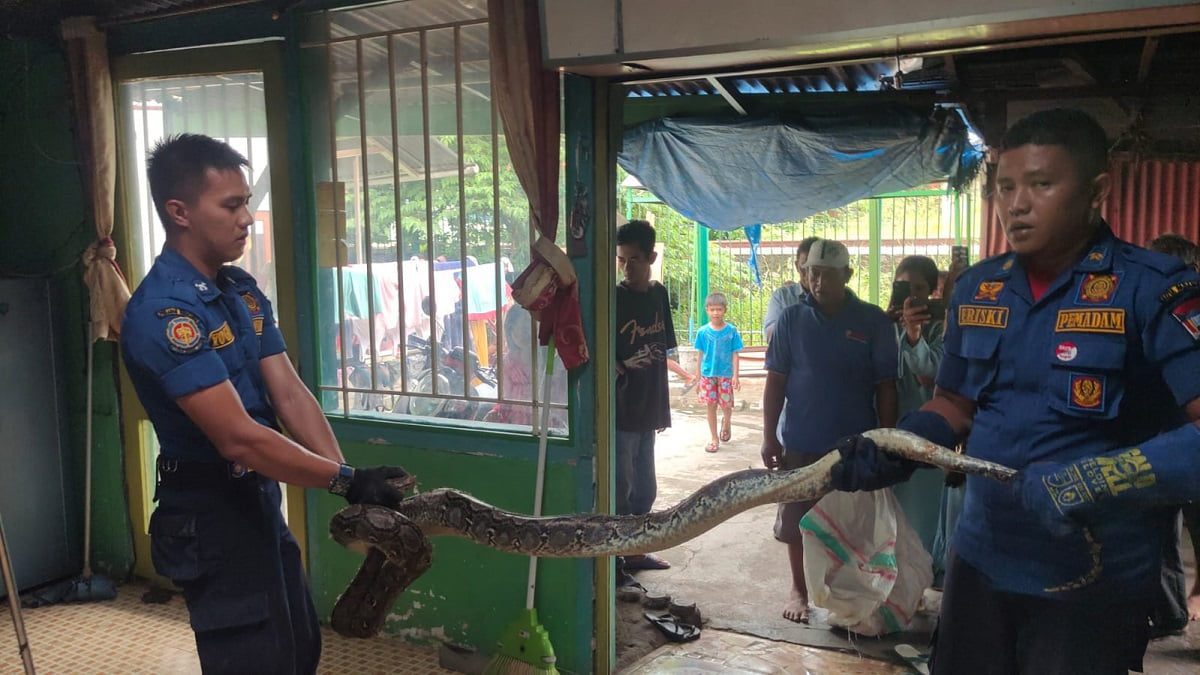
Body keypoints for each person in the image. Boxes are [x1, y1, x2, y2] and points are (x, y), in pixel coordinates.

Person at [831, 108, 1200, 674]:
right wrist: (901, 445)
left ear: (1097, 190)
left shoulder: (1153, 290)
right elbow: (955, 403)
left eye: (1041, 184)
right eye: (1005, 187)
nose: (1016, 205)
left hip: (1090, 578)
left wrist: (1092, 479)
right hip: (982, 558)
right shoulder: (981, 288)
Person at [121, 134, 409, 674]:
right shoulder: (165, 313)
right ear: (179, 212)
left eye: (246, 203)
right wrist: (344, 481)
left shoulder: (240, 291)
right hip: (210, 514)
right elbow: (239, 438)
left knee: (298, 648)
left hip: (257, 502)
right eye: (230, 206)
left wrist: (350, 485)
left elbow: (289, 394)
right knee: (254, 660)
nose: (247, 219)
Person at [761, 238, 898, 623]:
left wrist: (888, 441)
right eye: (812, 273)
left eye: (828, 275)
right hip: (801, 441)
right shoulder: (791, 319)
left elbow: (887, 386)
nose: (818, 282)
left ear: (848, 275)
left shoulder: (873, 321)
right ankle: (798, 590)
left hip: (854, 446)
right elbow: (776, 381)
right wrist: (769, 436)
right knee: (796, 522)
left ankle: (852, 597)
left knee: (855, 524)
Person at [615, 219, 689, 573]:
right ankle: (615, 562)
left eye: (634, 259)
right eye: (622, 260)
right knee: (621, 490)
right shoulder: (614, 298)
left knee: (645, 489)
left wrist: (662, 408)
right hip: (622, 411)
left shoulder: (659, 295)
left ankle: (635, 554)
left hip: (650, 408)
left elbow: (663, 350)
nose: (627, 268)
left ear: (651, 258)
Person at [1147, 232, 1200, 628]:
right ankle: (1168, 611)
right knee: (1159, 526)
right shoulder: (1149, 311)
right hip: (1160, 436)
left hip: (1190, 438)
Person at [887, 255, 945, 559]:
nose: (911, 295)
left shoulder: (941, 327)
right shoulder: (882, 325)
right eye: (903, 286)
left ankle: (922, 574)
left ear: (932, 291)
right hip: (886, 427)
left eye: (919, 288)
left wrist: (913, 333)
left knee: (921, 514)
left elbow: (929, 371)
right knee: (887, 514)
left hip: (925, 432)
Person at [693, 292, 744, 453]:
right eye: (712, 309)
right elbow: (700, 355)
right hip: (708, 375)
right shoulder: (702, 332)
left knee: (726, 405)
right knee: (711, 405)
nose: (716, 313)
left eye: (719, 309)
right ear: (707, 310)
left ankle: (726, 422)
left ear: (725, 310)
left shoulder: (731, 331)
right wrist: (698, 377)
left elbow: (735, 354)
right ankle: (714, 438)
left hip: (726, 375)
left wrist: (736, 375)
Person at [763, 236, 819, 342]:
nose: (809, 274)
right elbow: (771, 337)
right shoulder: (782, 296)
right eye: (804, 267)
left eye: (815, 268)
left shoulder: (834, 296)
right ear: (797, 266)